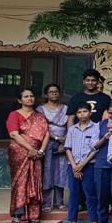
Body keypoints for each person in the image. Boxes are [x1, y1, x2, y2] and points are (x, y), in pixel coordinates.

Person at [7, 88, 49, 223]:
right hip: (19, 152)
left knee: (34, 181)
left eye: (31, 96)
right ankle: (19, 214)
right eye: (26, 96)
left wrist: (41, 150)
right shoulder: (14, 115)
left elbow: (46, 134)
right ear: (20, 100)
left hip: (37, 153)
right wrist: (30, 149)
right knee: (21, 181)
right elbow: (14, 134)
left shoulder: (40, 116)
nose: (30, 98)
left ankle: (34, 214)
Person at [60, 102, 99, 223]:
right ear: (76, 114)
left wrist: (82, 165)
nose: (82, 114)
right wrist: (75, 166)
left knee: (90, 193)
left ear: (90, 113)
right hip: (73, 165)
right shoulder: (72, 129)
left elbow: (95, 149)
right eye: (79, 112)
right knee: (74, 194)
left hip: (89, 165)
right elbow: (68, 148)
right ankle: (73, 222)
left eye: (85, 111)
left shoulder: (96, 128)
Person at [37, 83, 67, 213]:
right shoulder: (40, 110)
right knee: (47, 171)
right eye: (51, 92)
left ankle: (59, 202)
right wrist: (56, 138)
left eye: (56, 91)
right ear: (46, 95)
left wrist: (64, 142)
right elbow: (41, 128)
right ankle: (46, 202)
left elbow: (70, 126)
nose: (54, 93)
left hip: (63, 143)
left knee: (61, 171)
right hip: (47, 142)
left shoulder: (66, 109)